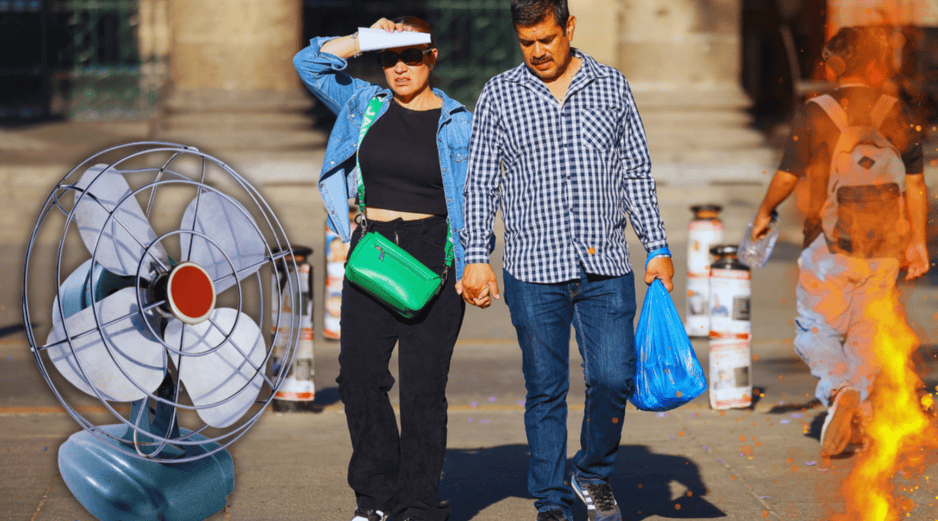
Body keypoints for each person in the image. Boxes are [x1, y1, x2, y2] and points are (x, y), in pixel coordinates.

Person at [458, 1, 674, 520]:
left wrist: (658, 246)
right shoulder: (500, 94)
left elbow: (635, 173)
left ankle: (591, 473)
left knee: (613, 378)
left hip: (607, 266)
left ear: (569, 29)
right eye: (527, 42)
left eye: (547, 39)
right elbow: (480, 183)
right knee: (546, 389)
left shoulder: (611, 85)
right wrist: (475, 257)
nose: (537, 52)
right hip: (533, 269)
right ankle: (551, 500)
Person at [294, 16, 472, 521]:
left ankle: (417, 504)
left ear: (432, 57)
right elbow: (307, 64)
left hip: (434, 250)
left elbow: (479, 199)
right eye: (388, 58)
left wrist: (475, 262)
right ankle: (375, 500)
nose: (398, 68)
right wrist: (364, 39)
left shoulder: (461, 121)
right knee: (358, 379)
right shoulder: (364, 105)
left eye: (410, 56)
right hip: (372, 250)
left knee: (422, 389)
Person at [751, 25, 928, 458]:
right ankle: (860, 413)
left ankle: (840, 390)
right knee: (867, 332)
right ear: (874, 65)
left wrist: (764, 211)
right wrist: (918, 242)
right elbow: (917, 185)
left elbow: (788, 175)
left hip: (829, 249)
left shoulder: (818, 111)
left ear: (832, 66)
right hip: (884, 248)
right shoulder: (897, 111)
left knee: (815, 330)